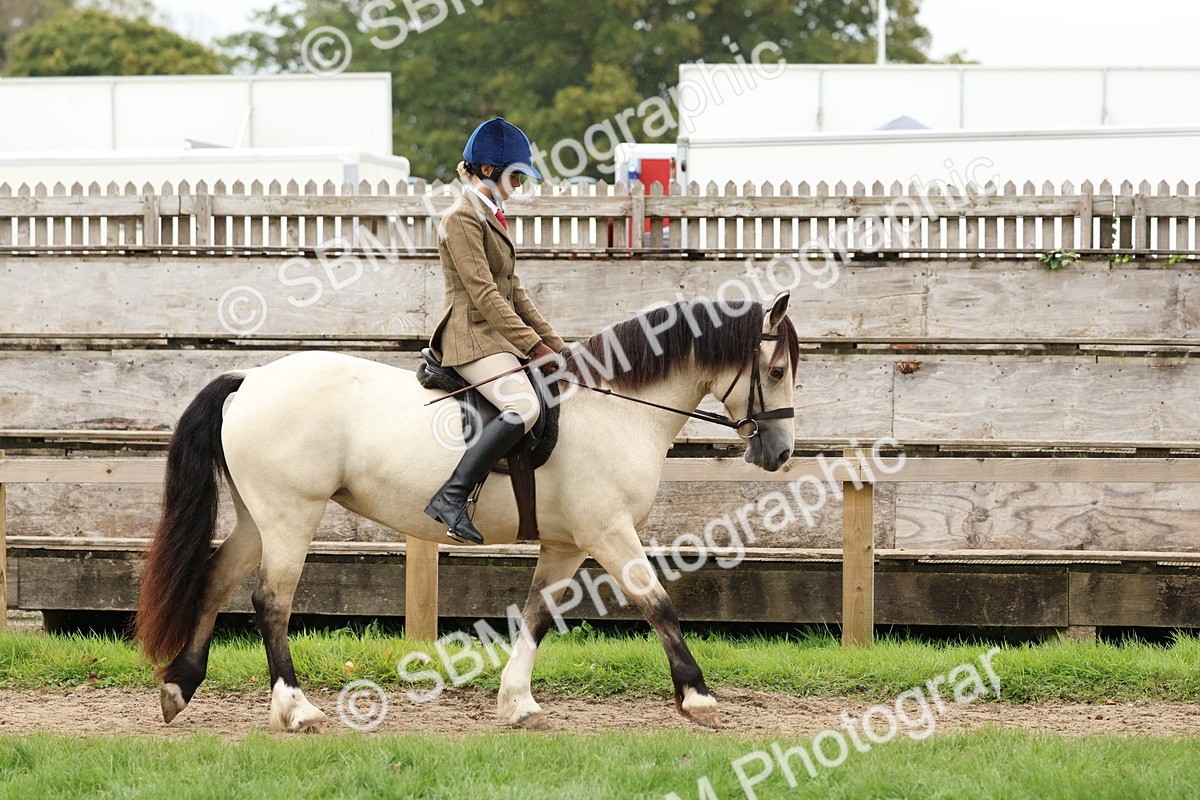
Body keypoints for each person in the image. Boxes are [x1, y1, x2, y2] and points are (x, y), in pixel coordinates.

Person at [424, 117, 567, 545]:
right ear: (487, 170)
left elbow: (514, 291)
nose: (519, 186)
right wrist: (533, 347)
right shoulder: (460, 219)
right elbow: (485, 295)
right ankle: (452, 497)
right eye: (515, 176)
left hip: (495, 336)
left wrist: (558, 347)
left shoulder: (491, 216)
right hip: (468, 337)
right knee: (523, 406)